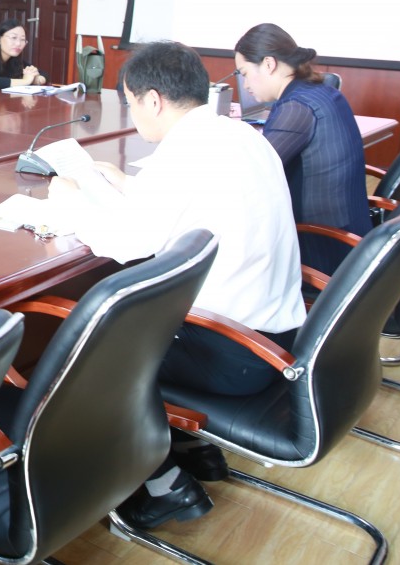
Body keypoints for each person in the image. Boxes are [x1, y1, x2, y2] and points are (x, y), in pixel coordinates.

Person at [48, 41, 305, 530]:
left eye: (131, 102)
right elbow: (196, 201)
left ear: (153, 100)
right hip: (276, 336)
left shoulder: (183, 156)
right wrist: (129, 184)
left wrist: (69, 199)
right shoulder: (240, 136)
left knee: (90, 357)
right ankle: (192, 449)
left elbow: (126, 243)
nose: (133, 113)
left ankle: (167, 487)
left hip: (234, 352)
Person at [235, 23, 371, 275]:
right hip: (348, 237)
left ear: (268, 64)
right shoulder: (321, 91)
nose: (245, 85)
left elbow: (251, 175)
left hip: (322, 250)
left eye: (244, 73)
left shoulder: (296, 107)